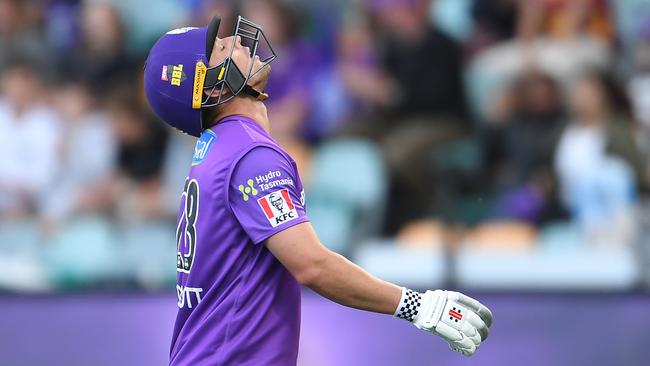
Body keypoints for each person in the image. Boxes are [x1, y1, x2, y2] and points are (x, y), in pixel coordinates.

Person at [144, 16, 493, 366]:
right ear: (212, 90)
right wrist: (420, 307)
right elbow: (312, 266)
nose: (236, 43)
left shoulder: (218, 148)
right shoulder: (249, 154)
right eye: (221, 49)